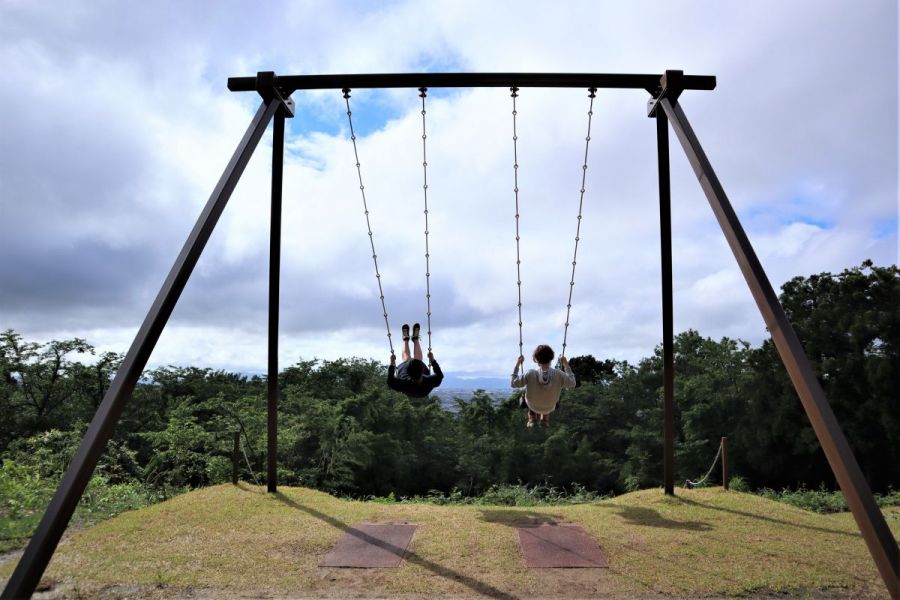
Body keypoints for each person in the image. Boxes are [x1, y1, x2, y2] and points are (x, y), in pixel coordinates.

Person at [511, 344, 576, 427]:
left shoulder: (530, 373)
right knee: (548, 398)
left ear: (535, 359)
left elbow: (513, 383)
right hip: (550, 406)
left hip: (532, 405)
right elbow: (572, 383)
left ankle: (532, 419)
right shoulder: (559, 374)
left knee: (528, 398)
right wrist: (566, 364)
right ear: (551, 357)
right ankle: (544, 420)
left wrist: (518, 363)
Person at [387, 323, 444, 398]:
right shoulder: (429, 381)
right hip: (422, 391)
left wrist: (432, 360)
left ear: (408, 371)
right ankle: (412, 340)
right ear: (422, 370)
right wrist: (392, 363)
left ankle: (407, 339)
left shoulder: (403, 384)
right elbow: (440, 375)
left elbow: (390, 381)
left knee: (408, 359)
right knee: (415, 360)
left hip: (407, 386)